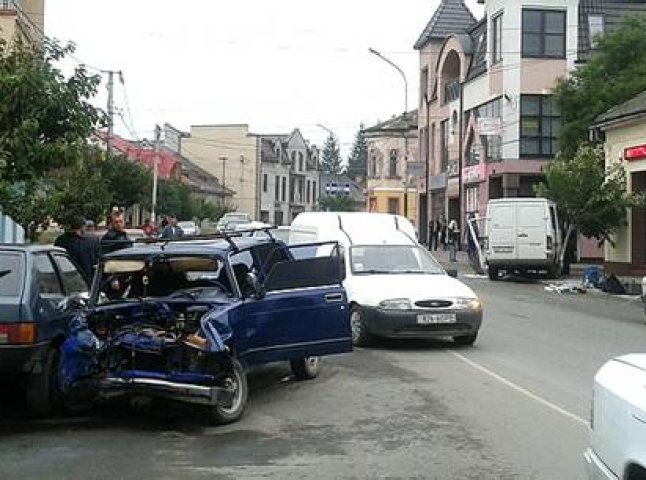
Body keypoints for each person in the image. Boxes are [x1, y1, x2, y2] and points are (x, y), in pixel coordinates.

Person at [54, 215, 101, 282]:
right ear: (82, 227)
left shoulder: (61, 241)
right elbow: (98, 261)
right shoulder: (91, 242)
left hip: (65, 278)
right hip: (86, 280)